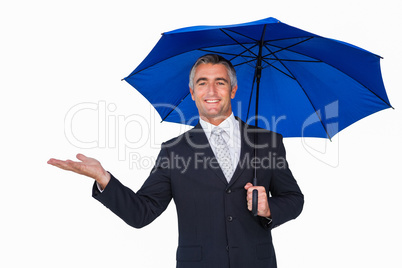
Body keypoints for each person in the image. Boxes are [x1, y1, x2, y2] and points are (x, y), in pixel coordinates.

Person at [48, 54, 304, 268]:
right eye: (202, 83)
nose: (211, 91)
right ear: (192, 93)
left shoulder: (267, 142)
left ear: (233, 90)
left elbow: (294, 199)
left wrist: (269, 209)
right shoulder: (174, 151)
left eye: (220, 82)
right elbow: (142, 213)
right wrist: (104, 178)